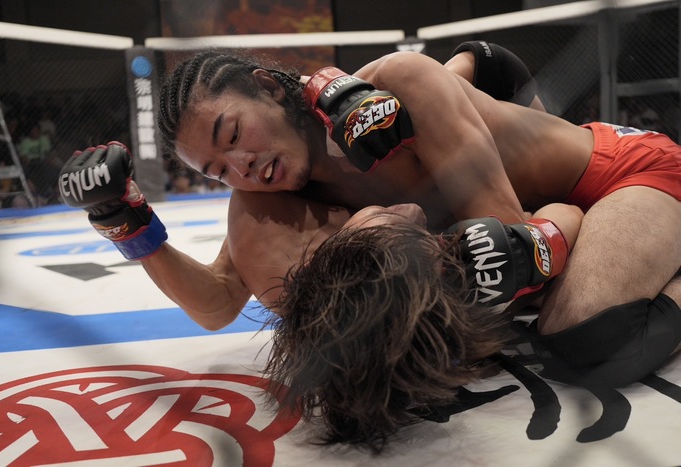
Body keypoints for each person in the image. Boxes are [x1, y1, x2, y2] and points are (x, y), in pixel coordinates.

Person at [59, 43, 681, 394]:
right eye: (218, 171)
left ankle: (476, 68)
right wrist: (126, 226)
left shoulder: (396, 86)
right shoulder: (270, 199)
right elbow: (220, 301)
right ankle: (478, 69)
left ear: (268, 88)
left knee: (586, 337)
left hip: (620, 173)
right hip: (548, 209)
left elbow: (508, 240)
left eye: (233, 134)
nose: (242, 167)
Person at [263, 201, 583, 452]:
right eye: (411, 234)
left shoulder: (296, 234)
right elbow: (568, 214)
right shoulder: (485, 258)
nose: (413, 214)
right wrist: (526, 242)